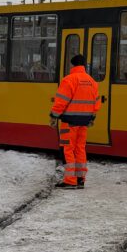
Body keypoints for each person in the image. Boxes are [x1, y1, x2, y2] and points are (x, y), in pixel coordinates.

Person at [49, 54, 102, 189]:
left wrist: (54, 116)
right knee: (80, 149)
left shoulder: (69, 80)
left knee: (68, 149)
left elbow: (61, 101)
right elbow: (96, 104)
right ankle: (80, 179)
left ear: (72, 65)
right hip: (84, 122)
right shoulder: (92, 81)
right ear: (84, 66)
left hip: (69, 122)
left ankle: (70, 181)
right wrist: (92, 118)